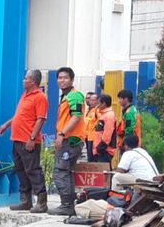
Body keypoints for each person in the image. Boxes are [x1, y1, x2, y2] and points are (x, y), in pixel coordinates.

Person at [0, 69, 48, 213]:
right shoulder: (25, 95)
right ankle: (25, 201)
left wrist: (32, 138)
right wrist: (6, 125)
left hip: (28, 141)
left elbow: (41, 119)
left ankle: (42, 202)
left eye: (25, 78)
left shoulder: (40, 97)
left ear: (33, 81)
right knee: (20, 170)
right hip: (17, 139)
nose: (23, 80)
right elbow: (19, 116)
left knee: (33, 170)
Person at [50, 66, 85, 216]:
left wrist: (62, 133)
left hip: (70, 140)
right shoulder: (65, 96)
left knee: (60, 172)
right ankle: (68, 204)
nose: (62, 80)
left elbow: (76, 116)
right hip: (67, 139)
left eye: (65, 78)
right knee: (66, 171)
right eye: (59, 78)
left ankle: (66, 205)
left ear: (71, 80)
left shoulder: (75, 96)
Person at [92, 92, 117, 163]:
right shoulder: (105, 115)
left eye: (99, 103)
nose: (97, 105)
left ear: (104, 104)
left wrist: (100, 148)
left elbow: (107, 135)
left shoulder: (109, 116)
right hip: (102, 150)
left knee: (103, 172)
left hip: (105, 151)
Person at [83, 92, 101, 163]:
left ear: (97, 100)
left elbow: (100, 121)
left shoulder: (97, 110)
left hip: (93, 137)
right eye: (90, 100)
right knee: (89, 156)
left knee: (92, 157)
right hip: (88, 136)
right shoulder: (91, 110)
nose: (91, 102)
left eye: (93, 100)